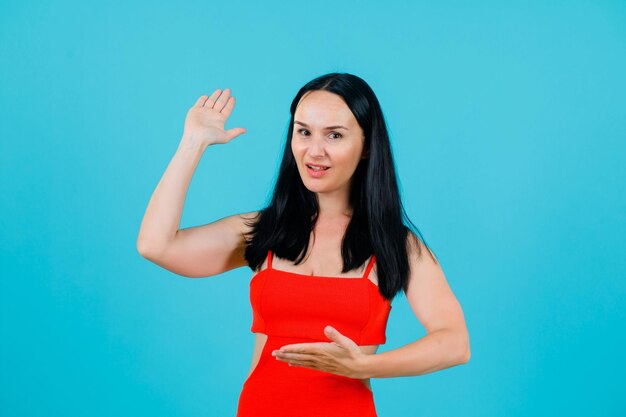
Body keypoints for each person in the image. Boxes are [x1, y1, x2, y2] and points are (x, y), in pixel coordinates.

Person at [136, 72, 470, 417]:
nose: (314, 151)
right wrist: (192, 143)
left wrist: (364, 366)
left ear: (367, 145)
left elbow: (454, 343)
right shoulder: (264, 231)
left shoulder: (395, 243)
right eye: (304, 131)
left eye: (335, 135)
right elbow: (155, 245)